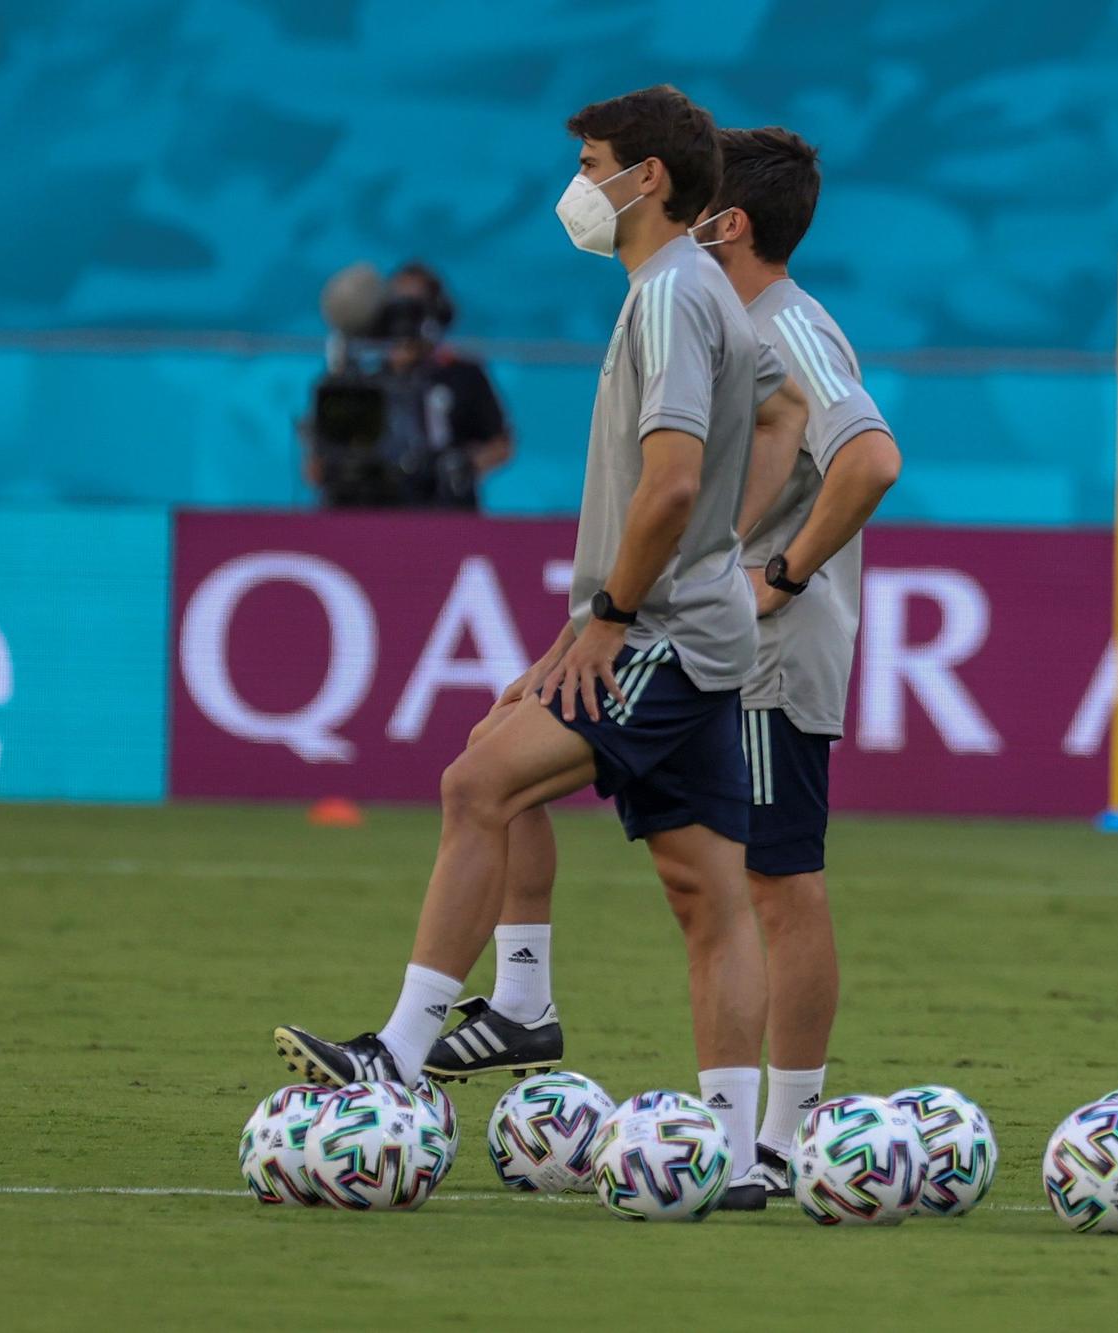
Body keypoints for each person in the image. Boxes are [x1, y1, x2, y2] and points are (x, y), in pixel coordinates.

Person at [272, 83, 810, 1211]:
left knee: (477, 783)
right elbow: (781, 416)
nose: (576, 185)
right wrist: (718, 551)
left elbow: (669, 479)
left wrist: (611, 614)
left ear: (646, 178)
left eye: (591, 160)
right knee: (703, 886)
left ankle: (410, 1046)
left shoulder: (668, 295)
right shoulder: (702, 290)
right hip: (694, 619)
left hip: (657, 629)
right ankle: (723, 1146)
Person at [424, 126, 902, 1204]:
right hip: (693, 644)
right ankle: (532, 1003)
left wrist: (769, 578)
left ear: (724, 219)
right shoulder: (710, 317)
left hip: (767, 654)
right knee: (527, 777)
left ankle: (782, 1133)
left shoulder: (791, 322)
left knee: (779, 881)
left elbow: (869, 456)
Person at [303, 262, 513, 509]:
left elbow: (501, 445)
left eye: (414, 308)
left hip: (442, 512)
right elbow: (315, 471)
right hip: (367, 512)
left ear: (437, 312)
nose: (403, 321)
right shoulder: (362, 381)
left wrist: (464, 465)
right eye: (395, 306)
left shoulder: (462, 374)